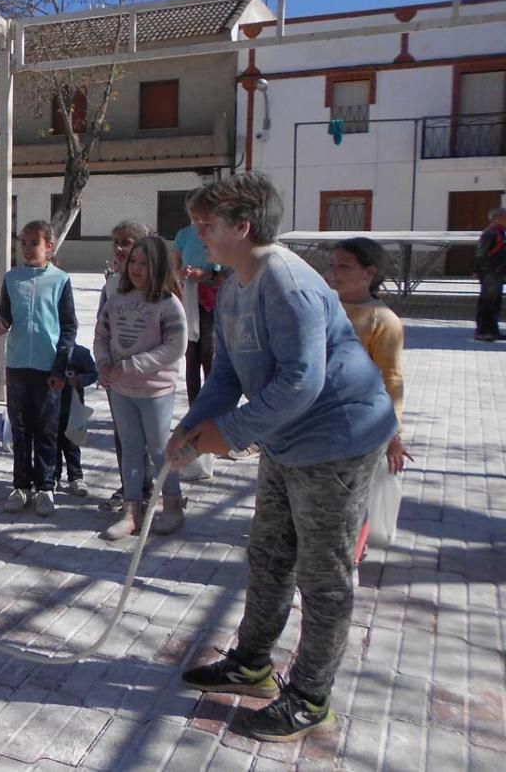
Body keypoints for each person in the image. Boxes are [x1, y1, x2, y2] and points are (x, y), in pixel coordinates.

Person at [170, 173, 397, 743]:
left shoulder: (288, 283)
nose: (197, 238)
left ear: (242, 227)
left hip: (338, 442)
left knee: (323, 577)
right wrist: (193, 426)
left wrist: (235, 433)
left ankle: (310, 697)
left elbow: (302, 380)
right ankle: (251, 666)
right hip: (286, 442)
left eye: (205, 226)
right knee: (270, 556)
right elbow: (226, 373)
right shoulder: (233, 287)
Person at [95, 235, 188, 539]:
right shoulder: (117, 300)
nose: (135, 268)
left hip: (155, 390)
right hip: (121, 390)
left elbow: (175, 347)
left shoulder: (168, 304)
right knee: (131, 449)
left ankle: (172, 506)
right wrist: (104, 363)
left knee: (161, 449)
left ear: (159, 266)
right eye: (132, 261)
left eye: (144, 263)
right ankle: (131, 510)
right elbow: (102, 335)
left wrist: (132, 365)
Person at [326, 237, 412, 561]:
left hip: (359, 428)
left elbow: (392, 379)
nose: (333, 273)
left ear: (369, 272)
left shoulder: (383, 321)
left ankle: (351, 557)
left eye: (344, 266)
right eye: (331, 265)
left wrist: (393, 434)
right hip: (317, 421)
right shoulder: (323, 305)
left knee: (352, 500)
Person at [0, 220, 76, 517]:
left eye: (33, 243)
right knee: (20, 428)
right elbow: (4, 315)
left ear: (49, 247)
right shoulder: (12, 279)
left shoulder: (61, 280)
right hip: (17, 366)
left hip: (48, 368)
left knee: (47, 430)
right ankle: (21, 485)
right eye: (23, 243)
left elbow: (68, 327)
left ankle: (46, 487)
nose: (27, 249)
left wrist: (60, 368)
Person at [98, 220, 154, 513]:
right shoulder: (110, 285)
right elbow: (102, 329)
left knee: (148, 435)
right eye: (116, 242)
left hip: (149, 377)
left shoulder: (156, 287)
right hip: (117, 375)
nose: (119, 249)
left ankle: (154, 490)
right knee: (123, 433)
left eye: (127, 242)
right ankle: (130, 487)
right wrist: (103, 364)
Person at [172, 221, 225, 404]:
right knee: (191, 355)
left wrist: (205, 275)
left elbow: (224, 272)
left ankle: (211, 405)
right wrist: (181, 273)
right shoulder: (184, 234)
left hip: (212, 300)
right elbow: (175, 267)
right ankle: (194, 407)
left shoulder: (218, 232)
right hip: (189, 298)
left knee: (209, 353)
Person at [54, 343, 97, 497]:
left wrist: (80, 379)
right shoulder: (48, 352)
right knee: (53, 443)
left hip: (74, 407)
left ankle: (76, 477)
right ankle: (53, 476)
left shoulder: (80, 353)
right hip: (52, 407)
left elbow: (94, 373)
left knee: (72, 445)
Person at [474, 206, 506, 342]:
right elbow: (481, 254)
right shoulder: (490, 233)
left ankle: (493, 331)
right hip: (490, 273)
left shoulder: (502, 232)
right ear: (498, 218)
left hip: (498, 272)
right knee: (487, 303)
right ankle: (482, 332)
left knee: (496, 303)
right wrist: (479, 271)